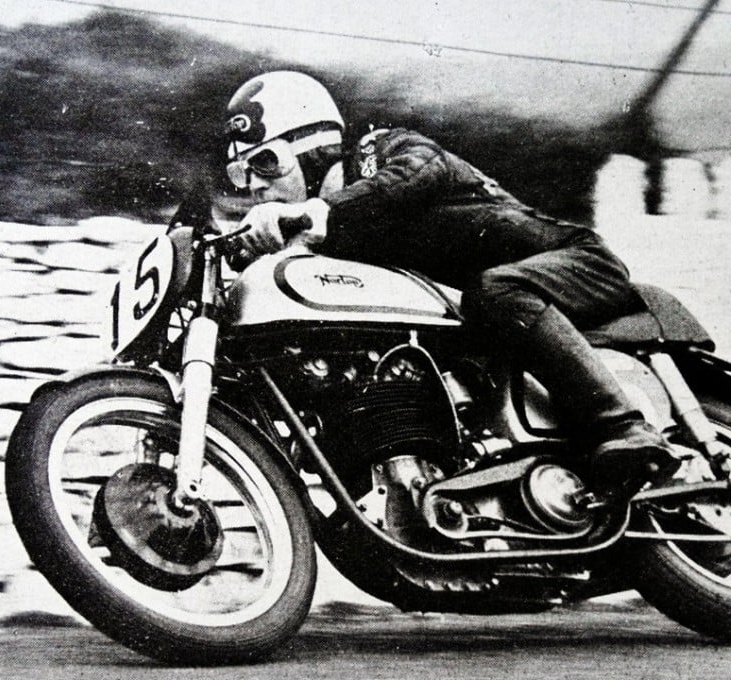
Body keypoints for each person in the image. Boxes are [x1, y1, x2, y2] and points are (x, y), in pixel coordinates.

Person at [222, 70, 679, 502]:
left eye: (266, 162)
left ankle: (623, 428)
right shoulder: (326, 248)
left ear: (316, 147)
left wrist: (316, 212)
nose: (257, 186)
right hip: (490, 318)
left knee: (495, 290)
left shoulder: (381, 150)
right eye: (242, 174)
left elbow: (421, 169)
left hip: (573, 260)